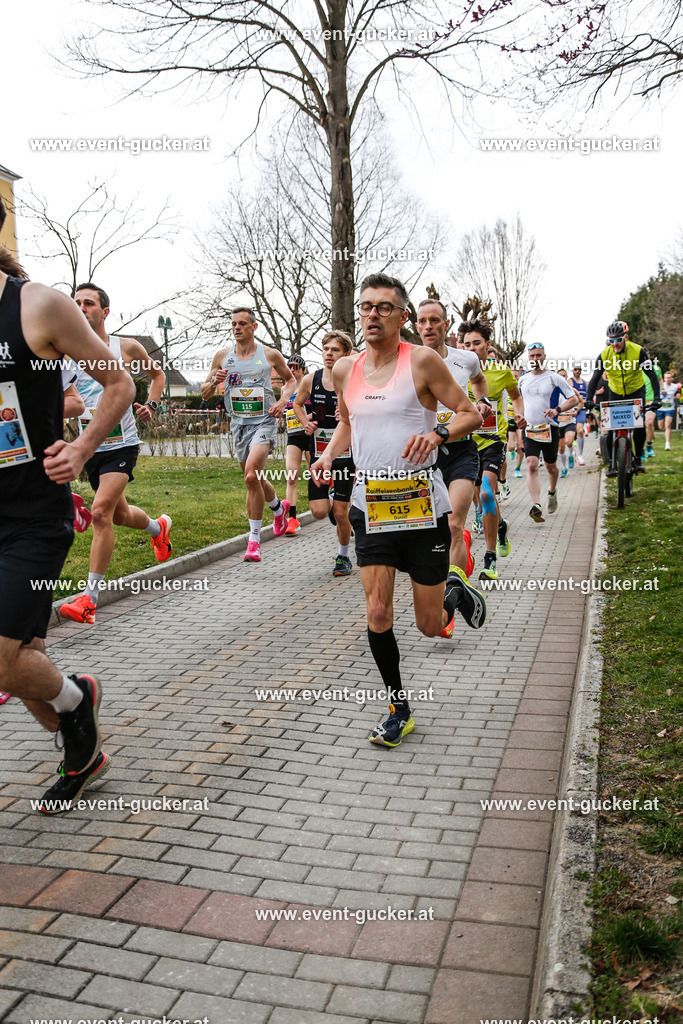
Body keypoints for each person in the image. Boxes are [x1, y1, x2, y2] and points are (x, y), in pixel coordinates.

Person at [0, 196, 135, 809]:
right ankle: (78, 737)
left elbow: (118, 382)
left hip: (32, 517)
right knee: (21, 660)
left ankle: (77, 700)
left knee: (3, 658)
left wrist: (81, 450)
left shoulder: (36, 305)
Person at [312, 274, 483, 747]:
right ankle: (397, 706)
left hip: (422, 505)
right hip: (373, 505)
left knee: (429, 626)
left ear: (401, 316)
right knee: (378, 610)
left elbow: (472, 413)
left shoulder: (423, 361)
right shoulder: (346, 369)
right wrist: (328, 455)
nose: (372, 314)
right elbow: (347, 425)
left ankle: (453, 586)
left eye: (384, 307)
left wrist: (439, 434)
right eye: (366, 307)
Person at [58, 284, 172, 624]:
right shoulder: (66, 353)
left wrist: (151, 404)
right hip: (89, 448)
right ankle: (158, 528)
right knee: (119, 515)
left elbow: (158, 374)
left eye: (88, 303)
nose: (81, 307)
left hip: (122, 444)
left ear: (104, 311)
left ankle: (89, 600)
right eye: (76, 302)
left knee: (101, 513)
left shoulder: (126, 347)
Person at [202, 307, 295, 561]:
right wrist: (213, 381)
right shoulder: (223, 356)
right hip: (238, 424)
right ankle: (278, 508)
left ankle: (253, 541)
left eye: (242, 323)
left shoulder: (269, 354)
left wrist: (283, 401)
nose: (236, 328)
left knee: (251, 474)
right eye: (233, 324)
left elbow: (291, 381)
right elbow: (204, 393)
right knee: (253, 477)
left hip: (264, 421)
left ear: (254, 327)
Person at [416, 299, 491, 598]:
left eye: (434, 320)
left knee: (454, 524)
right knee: (433, 530)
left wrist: (482, 401)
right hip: (425, 457)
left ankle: (452, 601)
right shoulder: (408, 360)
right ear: (416, 325)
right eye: (422, 321)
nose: (428, 326)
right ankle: (456, 562)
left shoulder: (466, 359)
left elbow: (479, 379)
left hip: (460, 451)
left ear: (446, 325)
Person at [462, 325, 526, 581]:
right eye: (466, 345)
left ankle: (489, 560)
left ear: (488, 345)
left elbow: (516, 396)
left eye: (476, 343)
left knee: (488, 492)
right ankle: (500, 527)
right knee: (477, 498)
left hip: (493, 440)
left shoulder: (501, 372)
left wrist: (519, 414)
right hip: (464, 442)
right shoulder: (454, 370)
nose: (471, 349)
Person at [293, 332, 356, 575]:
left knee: (341, 512)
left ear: (347, 354)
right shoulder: (311, 379)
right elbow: (298, 404)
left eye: (335, 350)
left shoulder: (352, 381)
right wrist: (304, 422)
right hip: (318, 453)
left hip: (345, 454)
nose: (329, 354)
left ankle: (343, 557)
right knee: (320, 511)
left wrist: (350, 416)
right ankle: (337, 507)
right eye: (326, 349)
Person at [585, 320, 661, 474]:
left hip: (636, 391)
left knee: (639, 426)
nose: (615, 344)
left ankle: (638, 459)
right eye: (611, 341)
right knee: (611, 429)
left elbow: (652, 376)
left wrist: (657, 398)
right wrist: (588, 399)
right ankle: (612, 464)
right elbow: (594, 379)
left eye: (618, 339)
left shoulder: (638, 351)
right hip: (616, 393)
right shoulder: (604, 355)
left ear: (625, 337)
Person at [518, 343, 577, 522]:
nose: (535, 359)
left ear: (544, 356)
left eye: (538, 356)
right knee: (532, 464)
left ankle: (552, 491)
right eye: (532, 356)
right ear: (528, 358)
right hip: (530, 429)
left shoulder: (554, 378)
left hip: (549, 428)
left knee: (551, 466)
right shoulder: (523, 380)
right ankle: (536, 505)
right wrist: (519, 416)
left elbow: (573, 399)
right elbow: (518, 401)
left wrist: (557, 410)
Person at [283, 354, 313, 535]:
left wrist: (305, 418)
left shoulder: (309, 384)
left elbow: (319, 410)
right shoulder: (286, 388)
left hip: (310, 435)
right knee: (291, 477)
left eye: (295, 366)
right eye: (289, 366)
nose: (292, 370)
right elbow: (285, 410)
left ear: (303, 368)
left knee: (316, 476)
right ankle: (292, 520)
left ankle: (334, 507)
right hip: (293, 436)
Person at [566, 363, 588, 465]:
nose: (577, 371)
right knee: (569, 437)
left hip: (581, 409)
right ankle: (572, 451)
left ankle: (580, 455)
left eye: (579, 369)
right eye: (576, 369)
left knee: (580, 431)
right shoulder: (570, 381)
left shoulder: (584, 382)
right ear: (572, 371)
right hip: (571, 409)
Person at [658, 370, 680, 450]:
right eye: (666, 378)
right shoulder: (660, 386)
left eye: (669, 378)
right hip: (660, 408)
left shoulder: (674, 387)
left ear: (672, 379)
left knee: (668, 424)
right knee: (660, 426)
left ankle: (667, 444)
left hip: (670, 408)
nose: (667, 379)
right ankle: (664, 430)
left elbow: (678, 394)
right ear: (664, 378)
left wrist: (678, 396)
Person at [644, 361, 662, 458]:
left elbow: (659, 380)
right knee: (639, 426)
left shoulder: (656, 368)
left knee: (649, 423)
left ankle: (649, 446)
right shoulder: (633, 367)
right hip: (639, 399)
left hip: (651, 400)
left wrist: (660, 394)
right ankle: (640, 450)